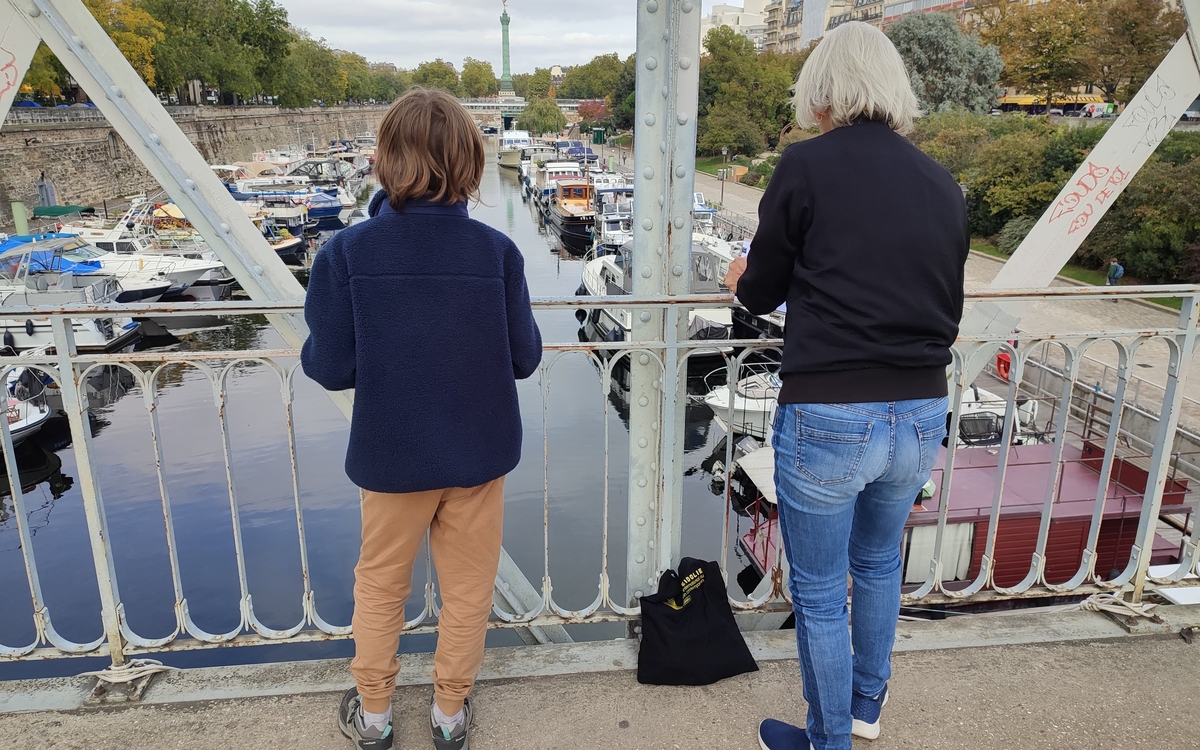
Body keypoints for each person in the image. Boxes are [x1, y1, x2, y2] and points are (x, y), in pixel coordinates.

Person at [723, 22, 968, 750]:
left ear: (823, 90)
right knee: (877, 564)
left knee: (824, 592)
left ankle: (826, 741)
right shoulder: (940, 182)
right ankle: (866, 708)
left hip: (832, 407)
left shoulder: (806, 166)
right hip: (921, 408)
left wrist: (744, 280)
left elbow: (761, 290)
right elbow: (944, 306)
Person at [301, 88, 542, 750]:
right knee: (467, 591)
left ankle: (375, 716)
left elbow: (329, 367)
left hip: (392, 453)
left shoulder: (345, 254)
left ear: (384, 161)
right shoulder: (498, 254)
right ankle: (448, 714)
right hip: (478, 452)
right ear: (468, 163)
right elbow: (524, 359)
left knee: (380, 585)